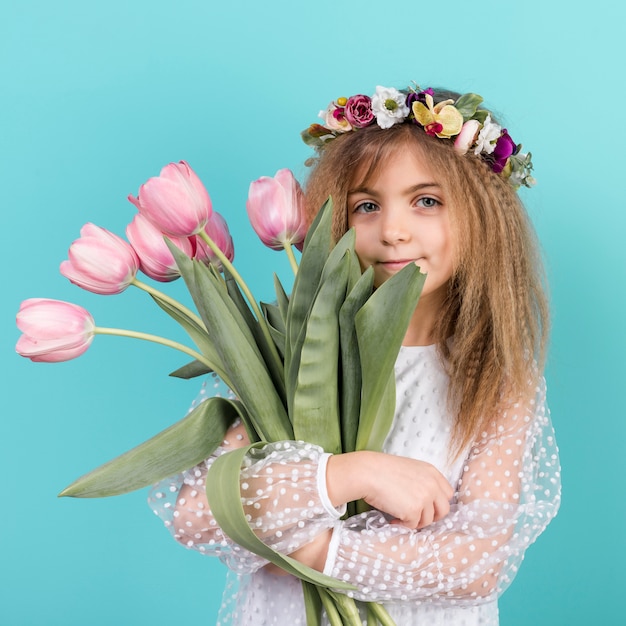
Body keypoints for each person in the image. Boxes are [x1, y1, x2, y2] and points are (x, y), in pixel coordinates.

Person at [148, 83, 561, 625]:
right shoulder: (286, 354)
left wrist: (305, 551)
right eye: (366, 205)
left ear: (484, 217)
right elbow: (198, 514)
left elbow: (475, 565)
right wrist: (351, 474)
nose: (392, 231)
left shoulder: (498, 379)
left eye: (427, 201)